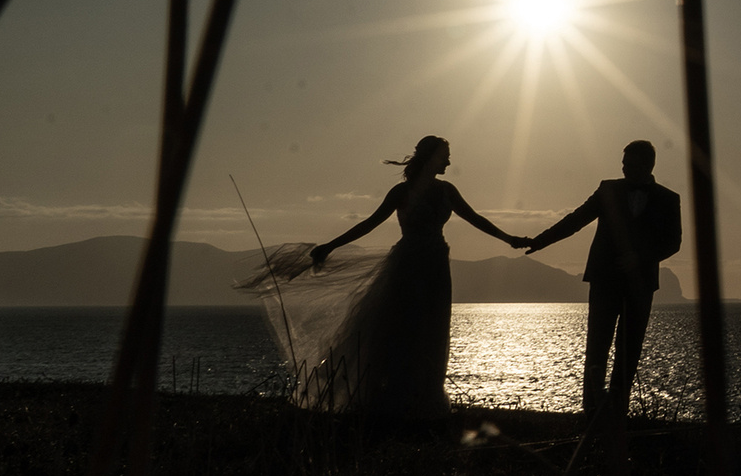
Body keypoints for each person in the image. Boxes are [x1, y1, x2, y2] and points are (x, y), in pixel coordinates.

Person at [238, 135, 527, 421]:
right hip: (408, 265)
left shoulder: (447, 191)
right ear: (431, 158)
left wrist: (509, 238)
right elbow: (369, 223)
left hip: (436, 265)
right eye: (444, 157)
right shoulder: (401, 193)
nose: (449, 162)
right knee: (401, 330)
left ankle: (424, 398)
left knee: (432, 330)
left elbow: (475, 218)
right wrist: (331, 245)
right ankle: (389, 398)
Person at [523, 140, 682, 421]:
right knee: (597, 345)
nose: (625, 170)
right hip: (605, 279)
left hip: (641, 283)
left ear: (648, 166)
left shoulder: (668, 198)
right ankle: (592, 411)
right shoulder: (607, 189)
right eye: (623, 165)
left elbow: (673, 242)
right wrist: (540, 241)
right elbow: (576, 220)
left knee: (629, 349)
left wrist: (640, 258)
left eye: (631, 166)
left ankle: (618, 411)